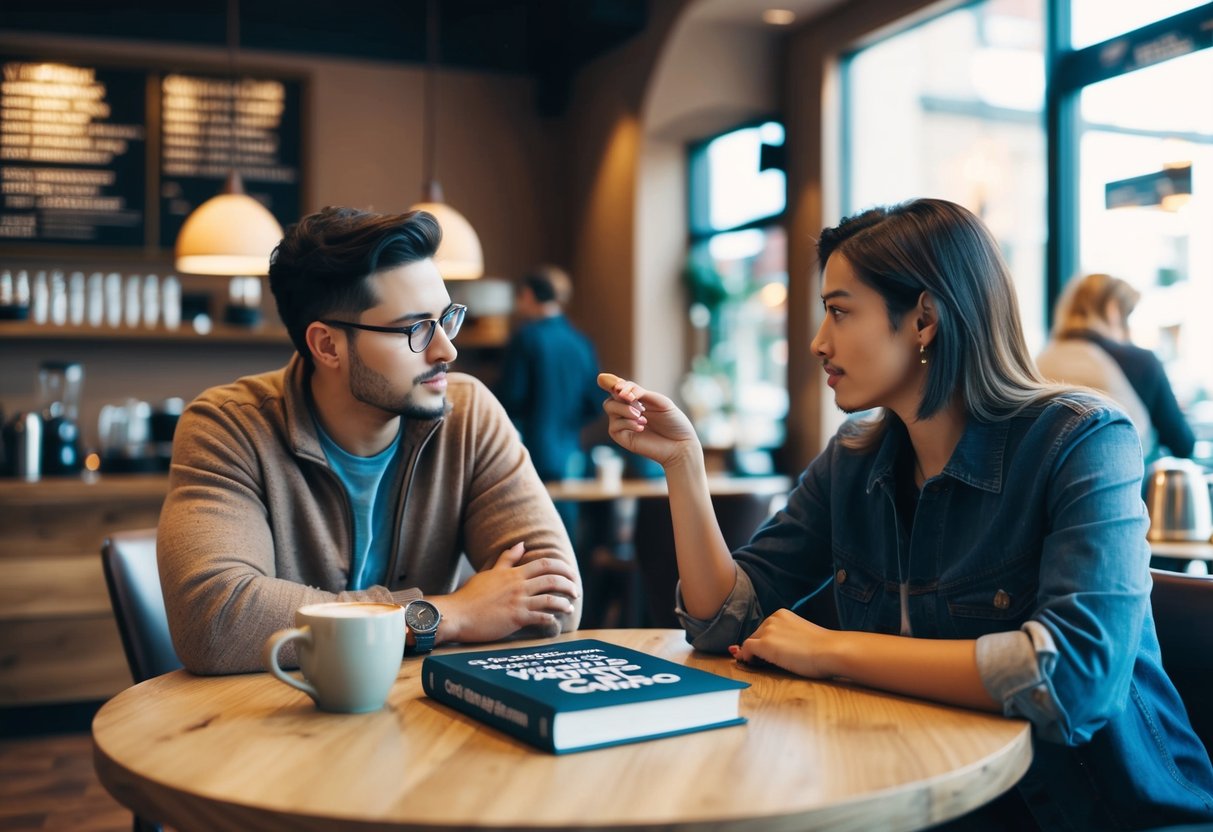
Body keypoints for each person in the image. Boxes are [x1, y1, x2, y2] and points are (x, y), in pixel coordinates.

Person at [598, 199, 1213, 831]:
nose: (817, 342)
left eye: (839, 311)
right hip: (933, 799)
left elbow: (1073, 678)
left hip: (1108, 816)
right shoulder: (856, 457)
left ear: (923, 318)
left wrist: (834, 649)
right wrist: (682, 463)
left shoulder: (1082, 440)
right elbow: (722, 618)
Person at [158, 207, 581, 675]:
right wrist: (449, 615)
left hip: (424, 718)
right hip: (279, 725)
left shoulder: (469, 414)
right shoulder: (229, 427)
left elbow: (556, 602)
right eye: (416, 329)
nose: (447, 349)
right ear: (327, 346)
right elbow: (214, 623)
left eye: (447, 319)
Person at [1036, 272, 1196, 462]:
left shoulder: (1039, 361)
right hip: (1122, 483)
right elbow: (1182, 443)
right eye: (1127, 315)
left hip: (1043, 483)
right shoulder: (1139, 361)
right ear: (1112, 310)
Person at [495, 265, 603, 539]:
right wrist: (567, 422)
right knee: (567, 533)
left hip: (532, 451)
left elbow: (512, 396)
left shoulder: (527, 338)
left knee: (534, 534)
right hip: (572, 454)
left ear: (529, 295)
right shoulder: (580, 342)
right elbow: (595, 401)